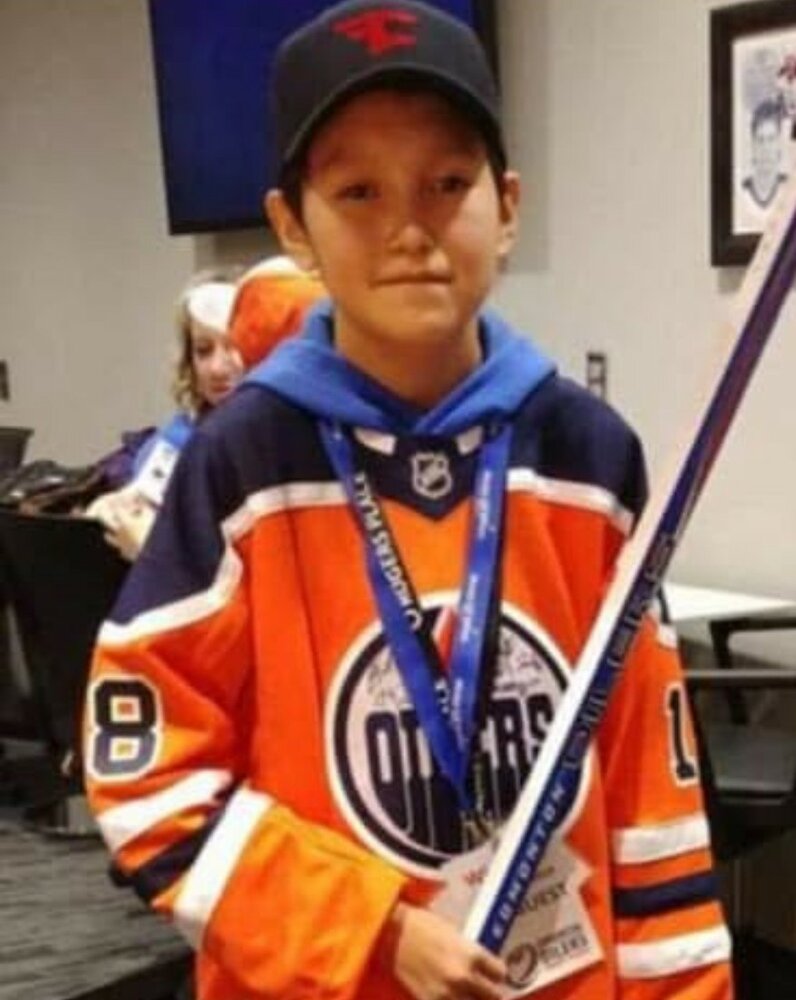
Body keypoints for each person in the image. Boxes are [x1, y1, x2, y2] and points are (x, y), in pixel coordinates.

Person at [83, 3, 734, 999]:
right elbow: (150, 779)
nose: (409, 228)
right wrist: (375, 926)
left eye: (447, 182)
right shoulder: (241, 465)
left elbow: (650, 782)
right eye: (358, 190)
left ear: (506, 205)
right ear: (292, 226)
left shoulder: (588, 454)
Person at [86, 275, 242, 559]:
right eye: (203, 351)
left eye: (234, 346)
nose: (217, 368)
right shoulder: (181, 435)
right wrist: (114, 508)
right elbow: (141, 499)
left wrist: (155, 555)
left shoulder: (289, 446)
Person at [741, 98, 789, 212]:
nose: (765, 148)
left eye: (771, 139)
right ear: (753, 145)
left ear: (779, 143)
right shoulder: (742, 193)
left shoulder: (789, 189)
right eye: (760, 140)